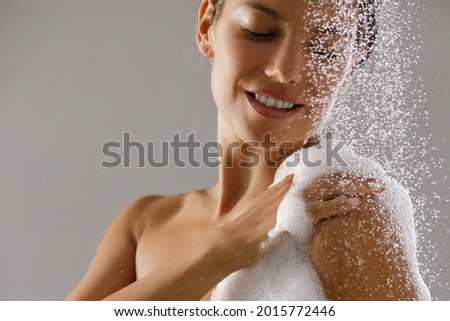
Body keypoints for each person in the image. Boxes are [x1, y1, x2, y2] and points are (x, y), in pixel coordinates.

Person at [66, 0, 429, 301]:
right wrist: (220, 252)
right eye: (258, 30)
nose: (285, 70)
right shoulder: (145, 224)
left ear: (350, 66)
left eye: (325, 49)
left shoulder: (340, 212)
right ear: (207, 26)